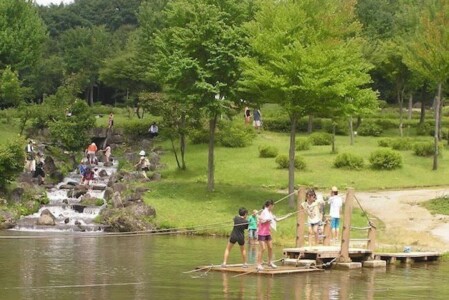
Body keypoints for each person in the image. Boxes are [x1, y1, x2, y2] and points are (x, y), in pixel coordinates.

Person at [256, 200, 292, 271]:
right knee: (263, 248)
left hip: (268, 233)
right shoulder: (264, 212)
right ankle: (258, 264)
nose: (273, 207)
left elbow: (277, 219)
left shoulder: (270, 213)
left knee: (270, 247)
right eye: (273, 205)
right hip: (261, 233)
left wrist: (286, 216)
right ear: (270, 205)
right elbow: (261, 220)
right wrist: (266, 220)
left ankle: (270, 262)